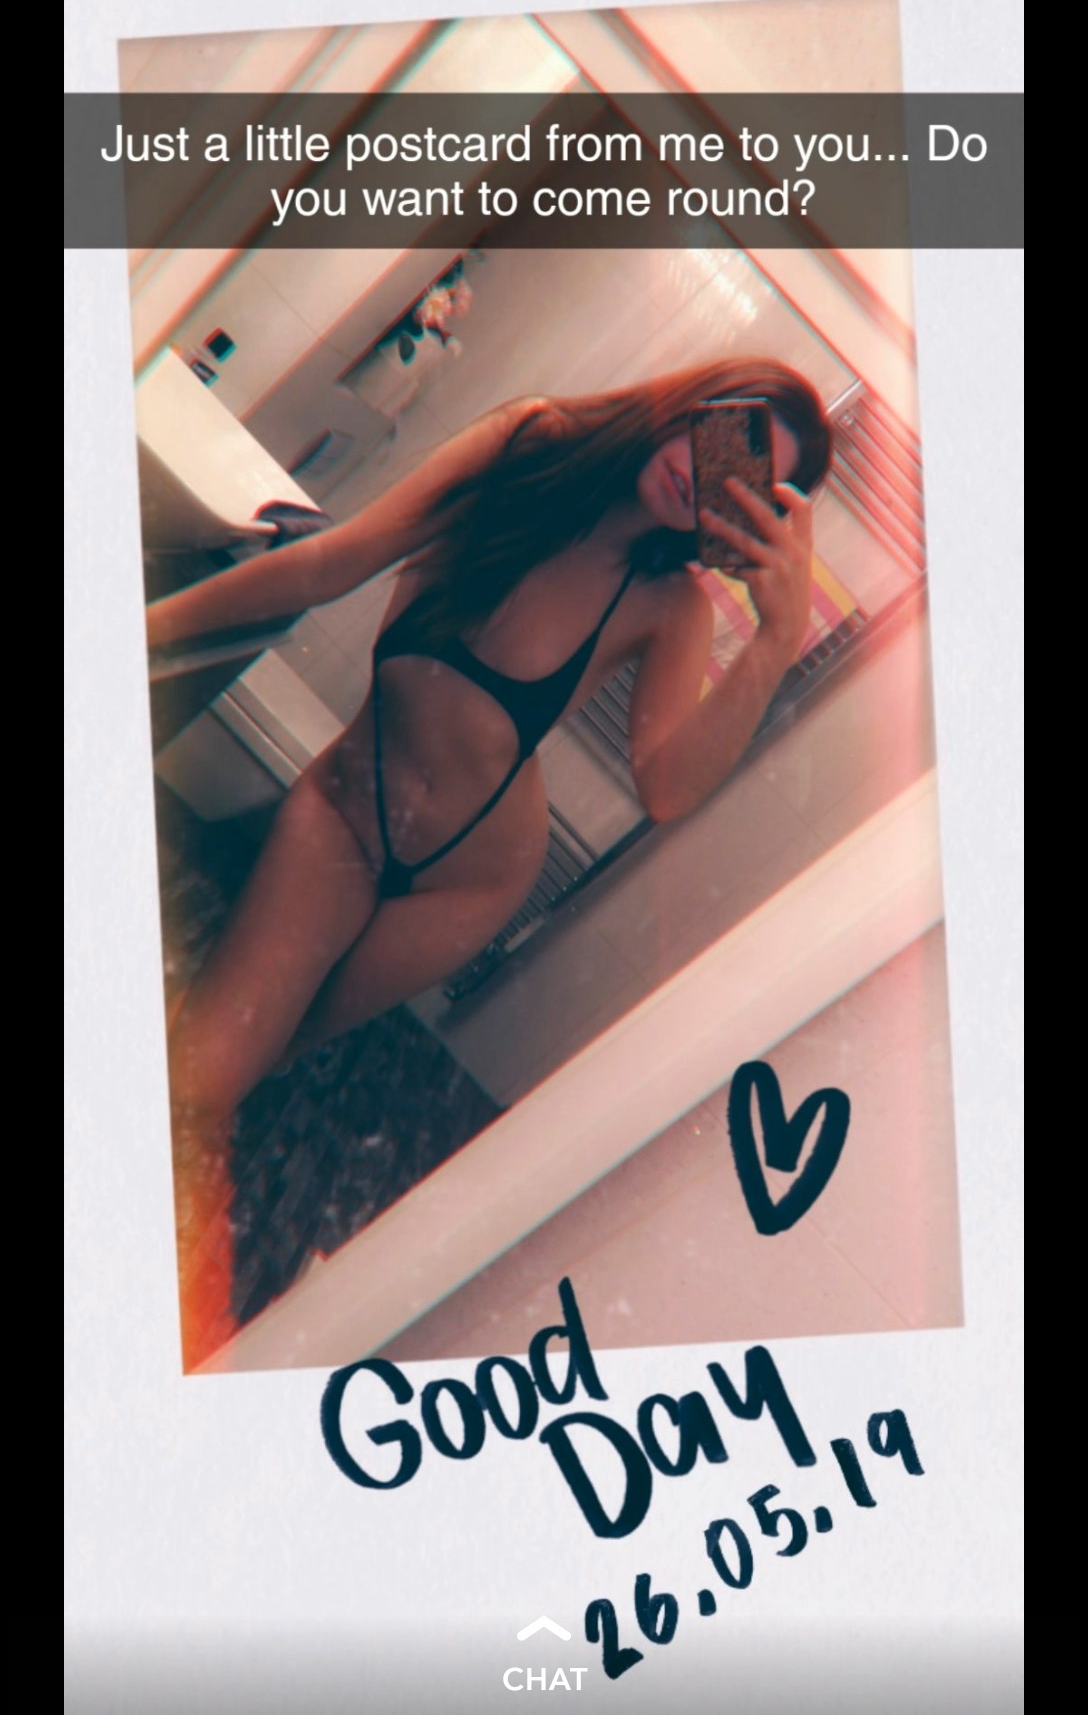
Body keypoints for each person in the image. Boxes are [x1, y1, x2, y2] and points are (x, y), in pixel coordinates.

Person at [148, 358, 830, 1359]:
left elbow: (667, 787)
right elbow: (327, 565)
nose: (701, 477)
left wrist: (774, 642)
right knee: (201, 1079)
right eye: (725, 434)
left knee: (271, 1056)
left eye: (744, 484)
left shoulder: (667, 605)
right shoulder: (525, 448)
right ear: (694, 402)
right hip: (345, 814)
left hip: (470, 879)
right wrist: (136, 632)